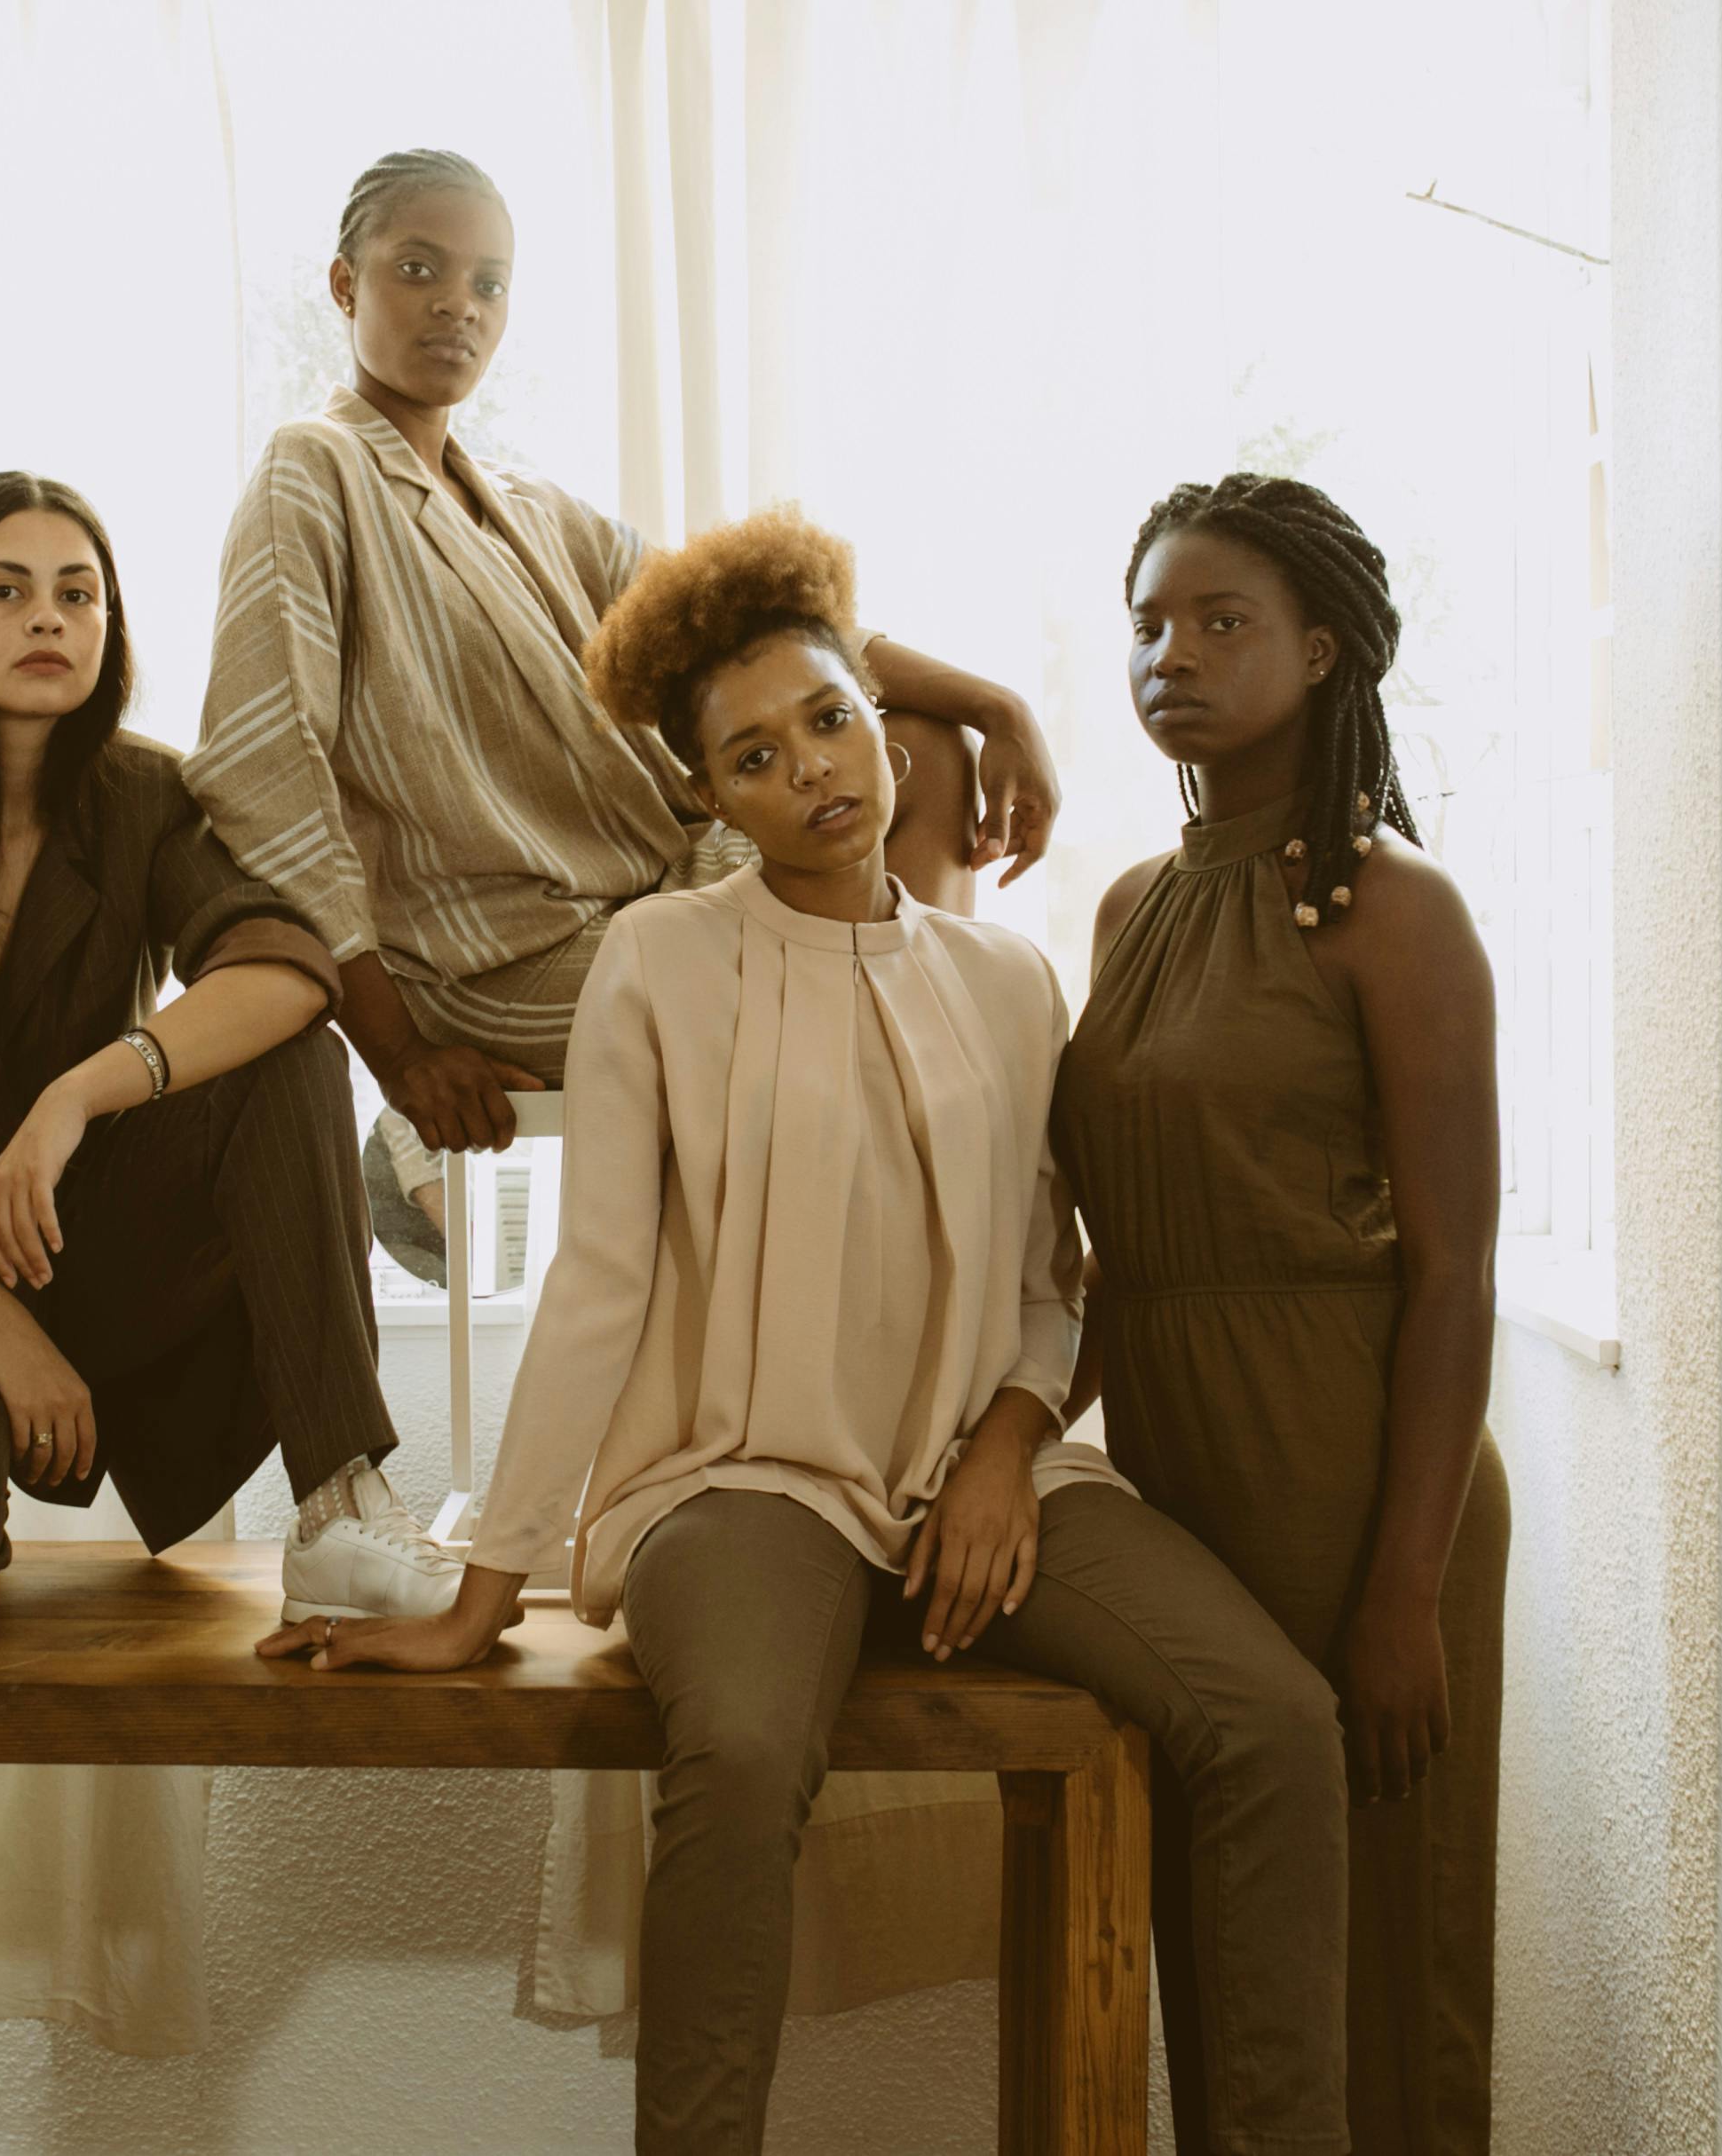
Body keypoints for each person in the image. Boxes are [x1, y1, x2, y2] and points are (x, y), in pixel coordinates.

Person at [265, 510, 1353, 2156]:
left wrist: (1007, 1449)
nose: (815, 773)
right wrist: (487, 1587)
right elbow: (601, 1284)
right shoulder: (660, 960)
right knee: (748, 1744)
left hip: (984, 1476)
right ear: (707, 796)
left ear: (877, 714)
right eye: (755, 756)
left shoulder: (1007, 979)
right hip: (740, 1477)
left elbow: (1052, 1282)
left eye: (831, 719)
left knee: (1272, 1718)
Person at [185, 146, 1064, 1279]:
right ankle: (910, 1182)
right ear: (346, 286)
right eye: (418, 268)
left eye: (488, 282)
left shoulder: (526, 502)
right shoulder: (309, 472)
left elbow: (758, 622)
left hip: (663, 881)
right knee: (822, 955)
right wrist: (397, 1052)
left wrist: (1002, 706)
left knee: (922, 751)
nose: (458, 303)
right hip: (506, 956)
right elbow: (264, 769)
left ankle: (909, 1079)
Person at [0, 470, 458, 1637]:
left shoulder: (148, 797)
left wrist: (74, 1098)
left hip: (101, 1245)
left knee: (289, 1060)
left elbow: (287, 967)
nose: (49, 618)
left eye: (78, 594)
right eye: (8, 590)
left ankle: (342, 1503)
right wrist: (4, 1329)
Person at [1056, 473, 1513, 2155]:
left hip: (1365, 1470)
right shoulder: (1131, 908)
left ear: (1322, 652)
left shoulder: (1397, 912)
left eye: (1221, 619)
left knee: (1387, 1948)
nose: (1171, 652)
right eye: (1150, 620)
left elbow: (1457, 1268)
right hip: (1188, 1473)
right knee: (1231, 1939)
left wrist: (1405, 1590)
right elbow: (1112, 1246)